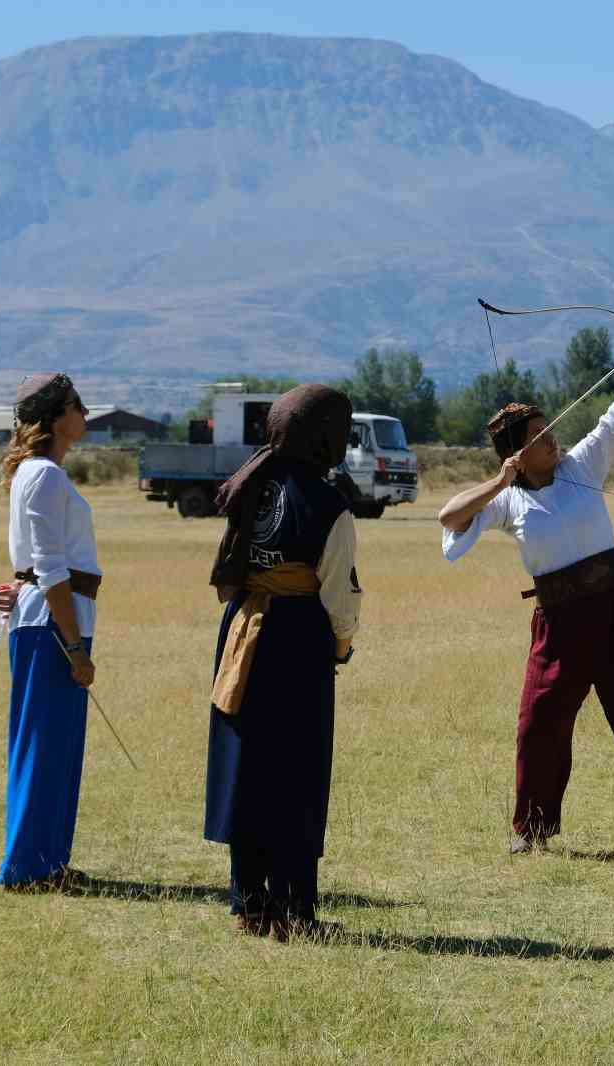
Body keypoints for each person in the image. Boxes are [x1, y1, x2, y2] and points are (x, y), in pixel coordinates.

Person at [437, 330, 614, 864]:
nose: (552, 440)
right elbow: (450, 516)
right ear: (516, 452)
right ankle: (531, 829)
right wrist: (500, 481)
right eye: (539, 436)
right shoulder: (506, 501)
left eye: (549, 431)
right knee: (538, 723)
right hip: (559, 623)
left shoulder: (582, 465)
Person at [206, 384, 362, 939]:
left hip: (244, 631)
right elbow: (339, 595)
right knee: (296, 777)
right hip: (296, 637)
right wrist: (341, 646)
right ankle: (295, 915)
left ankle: (249, 904)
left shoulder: (251, 484)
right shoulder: (329, 503)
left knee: (250, 772)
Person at [0, 372, 102, 891]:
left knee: (56, 748)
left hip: (49, 621)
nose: (86, 414)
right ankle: (28, 866)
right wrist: (75, 644)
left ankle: (48, 860)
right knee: (43, 746)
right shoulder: (45, 477)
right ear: (56, 416)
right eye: (78, 405)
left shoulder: (38, 475)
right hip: (52, 627)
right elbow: (50, 569)